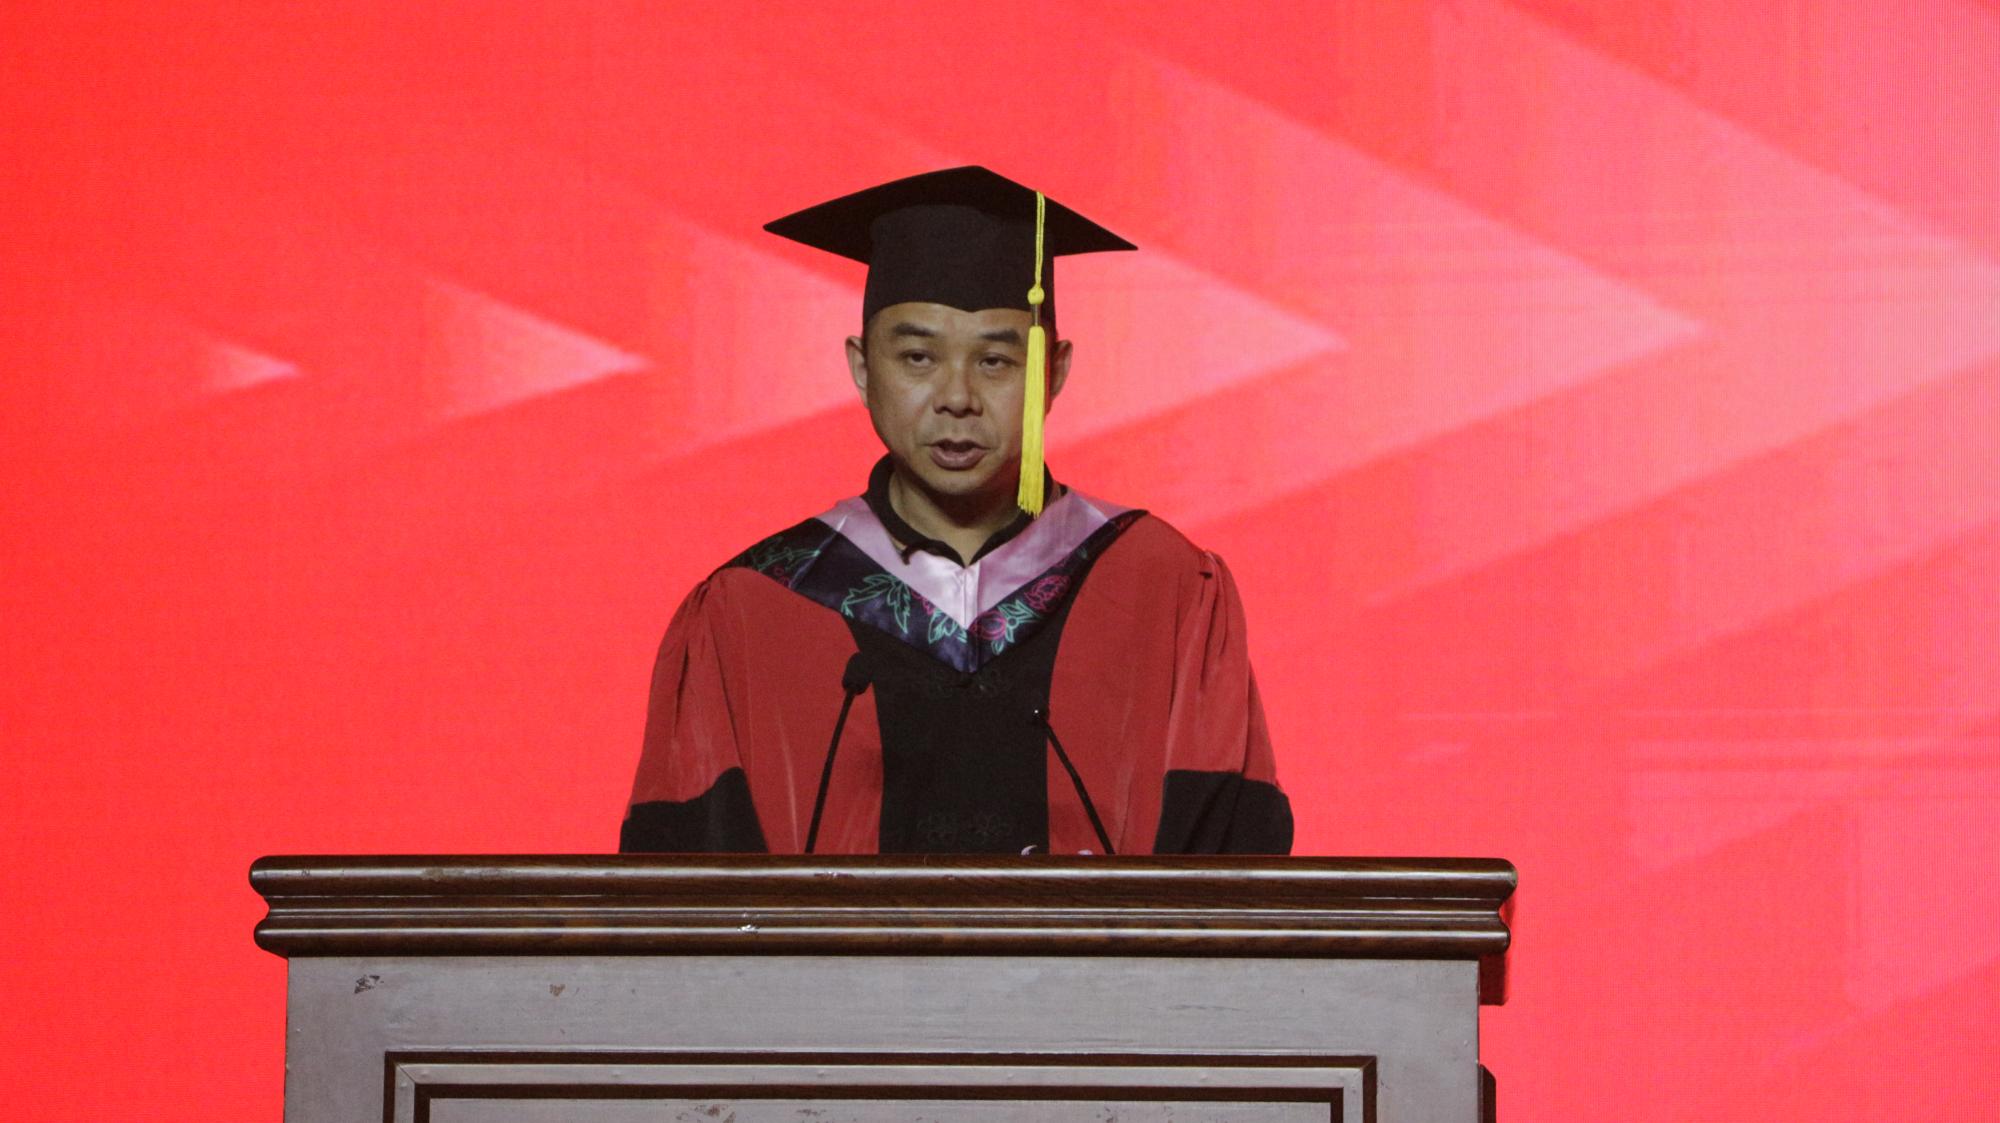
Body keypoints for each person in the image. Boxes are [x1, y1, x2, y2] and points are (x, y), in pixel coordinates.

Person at [619, 167, 1291, 855]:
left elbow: (1231, 873)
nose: (957, 397)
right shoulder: (754, 608)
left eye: (996, 361)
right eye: (918, 357)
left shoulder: (1163, 589)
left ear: (1054, 372)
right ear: (862, 368)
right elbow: (686, 891)